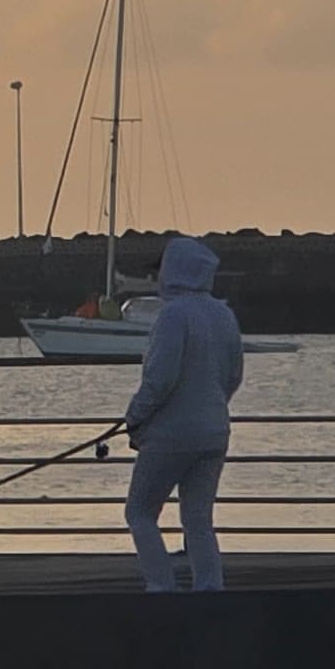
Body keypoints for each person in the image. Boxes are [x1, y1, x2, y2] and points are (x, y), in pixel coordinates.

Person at [119, 233, 243, 592]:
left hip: (170, 435)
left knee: (140, 512)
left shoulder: (173, 315)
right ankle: (210, 588)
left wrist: (134, 417)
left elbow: (160, 379)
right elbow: (233, 375)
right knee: (198, 519)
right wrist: (212, 408)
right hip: (215, 431)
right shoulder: (223, 314)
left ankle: (161, 587)